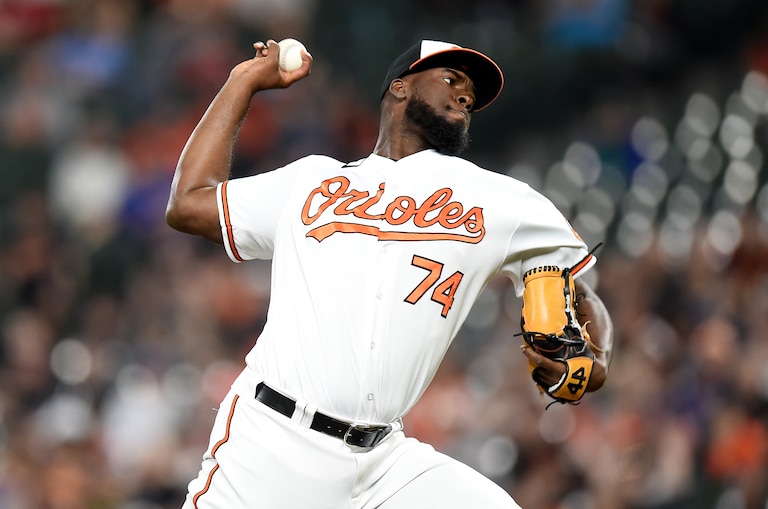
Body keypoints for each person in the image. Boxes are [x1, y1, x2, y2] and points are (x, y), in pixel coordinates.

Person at [166, 38, 613, 509]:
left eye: (471, 94)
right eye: (451, 79)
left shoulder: (501, 200)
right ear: (400, 87)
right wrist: (243, 82)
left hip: (383, 463)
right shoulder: (311, 181)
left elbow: (576, 286)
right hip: (272, 443)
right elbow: (188, 203)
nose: (465, 95)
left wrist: (597, 359)